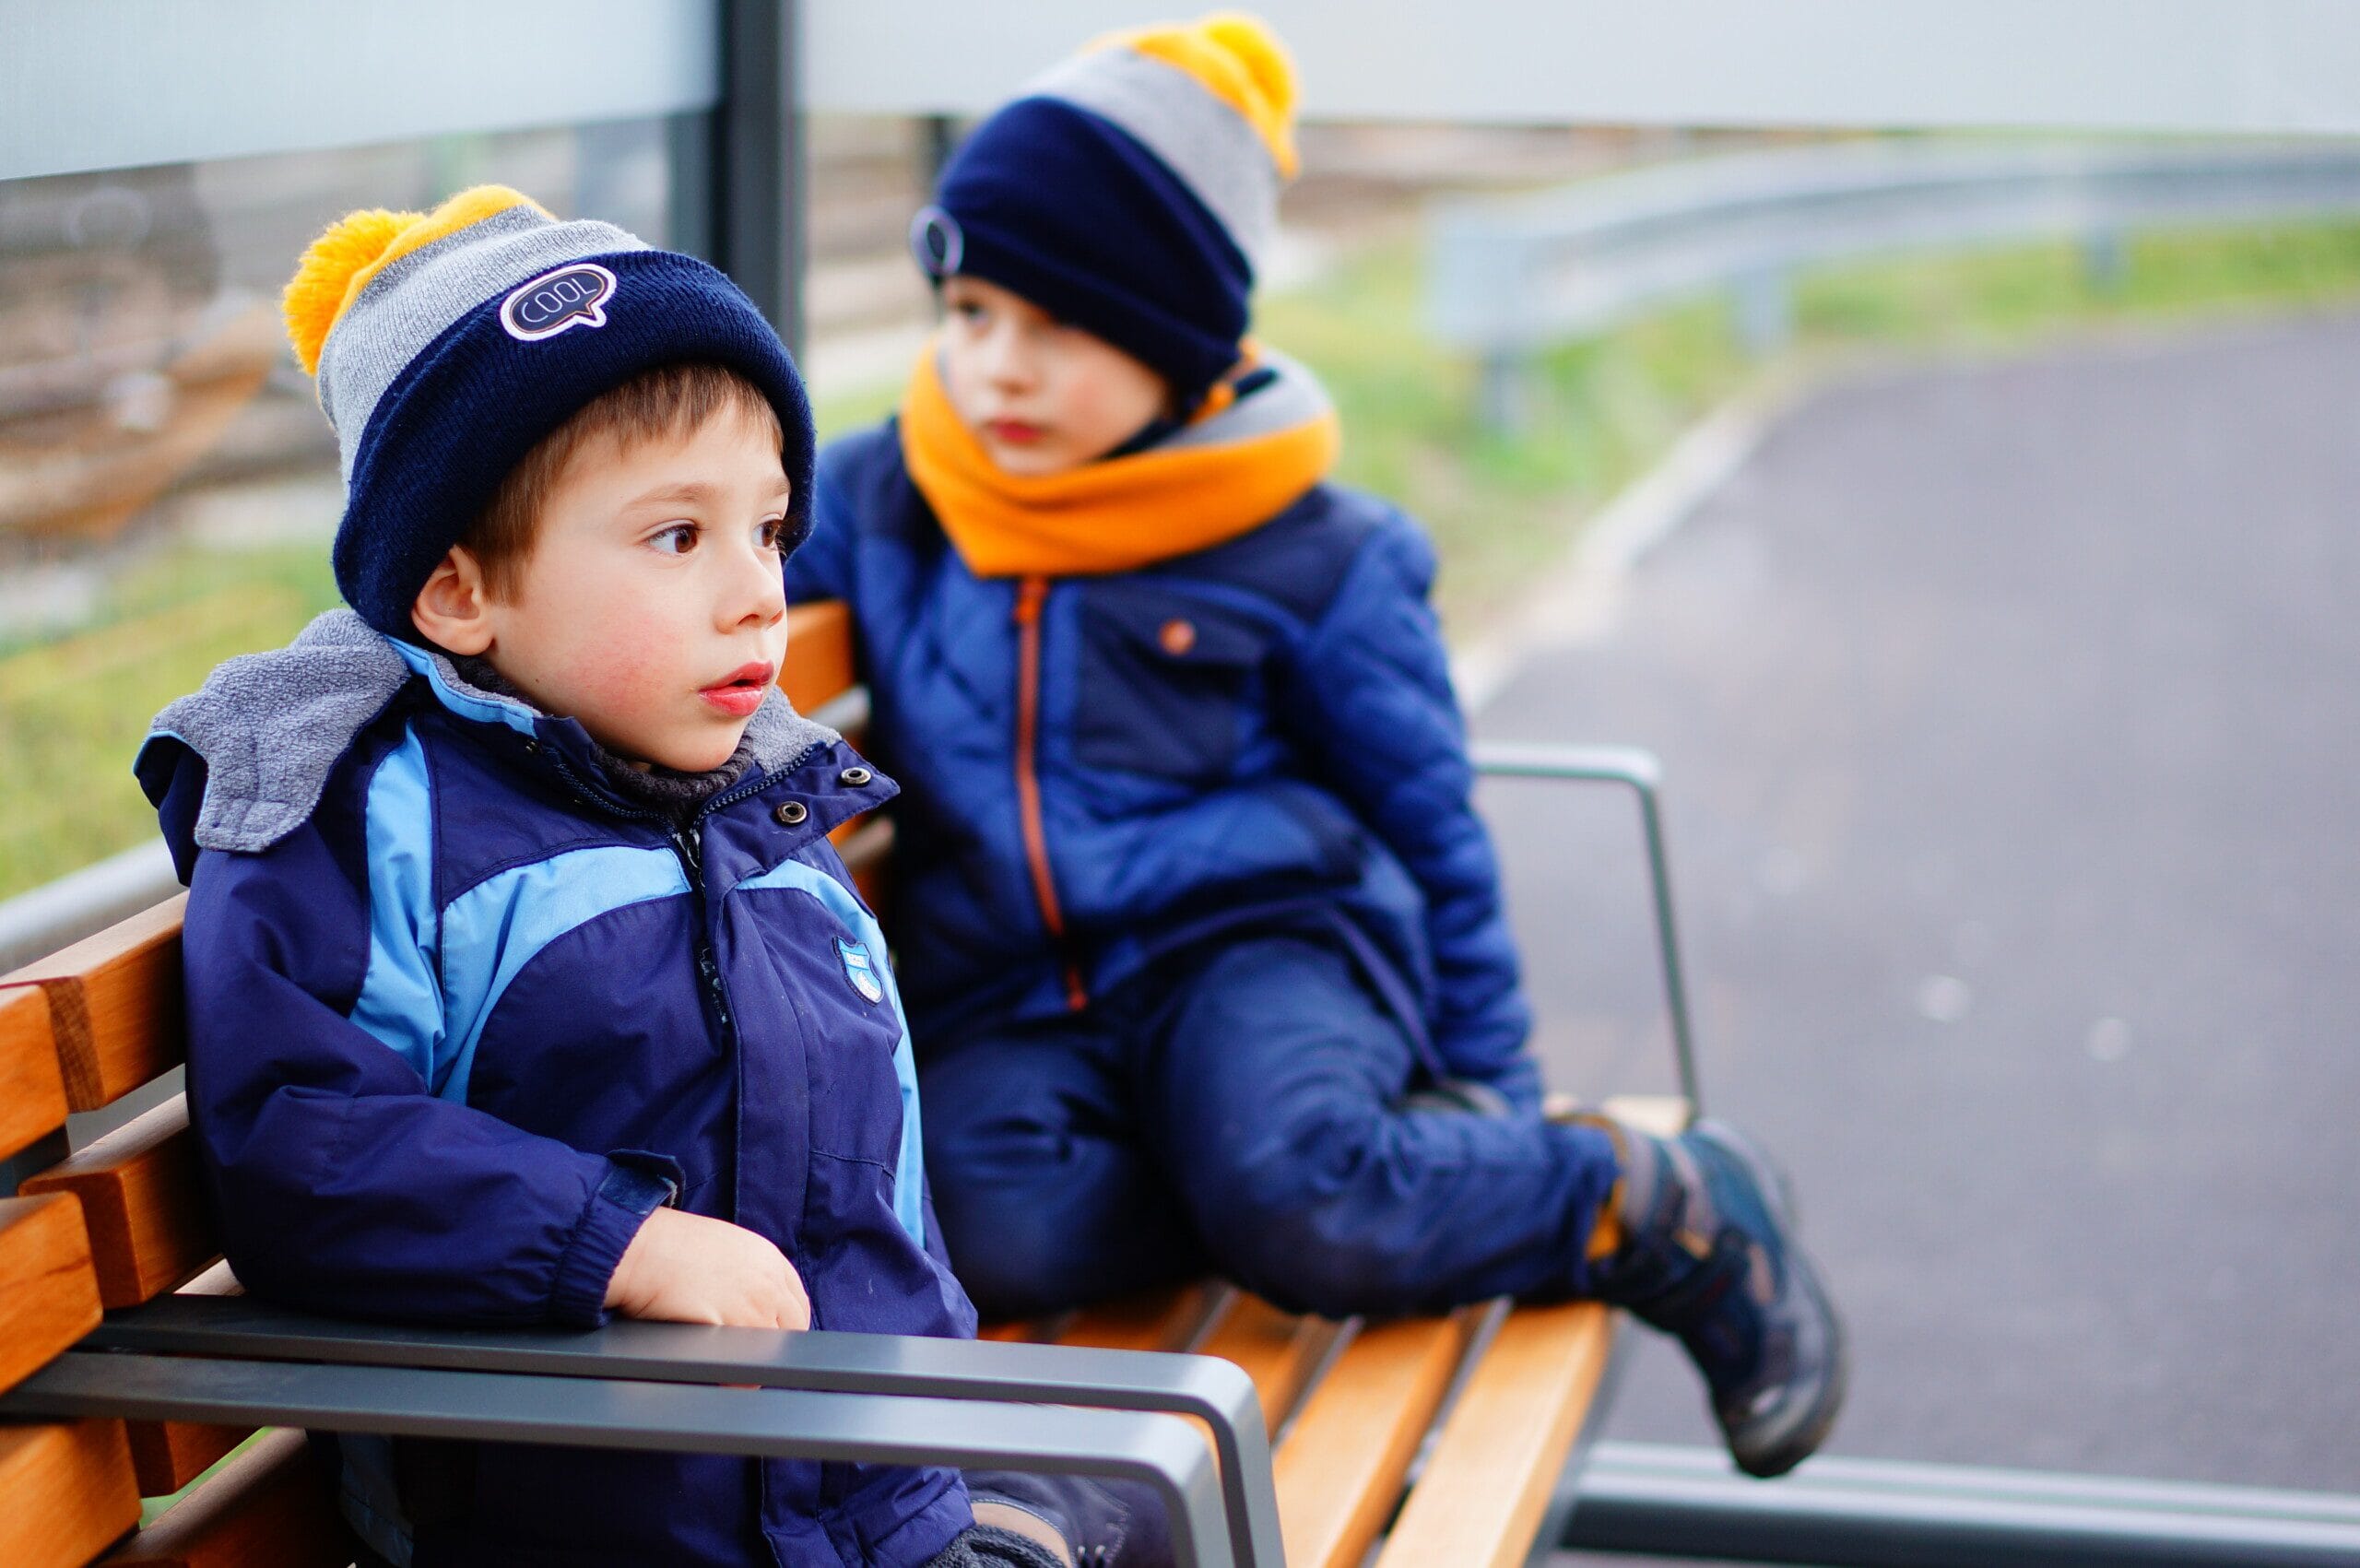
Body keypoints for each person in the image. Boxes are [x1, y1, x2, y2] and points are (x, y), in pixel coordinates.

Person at [787, 14, 1848, 1479]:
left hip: (1261, 950)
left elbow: (1431, 829)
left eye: (1058, 324)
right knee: (991, 1220)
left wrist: (1495, 1087)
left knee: (1305, 1197)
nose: (997, 372)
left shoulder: (1315, 551)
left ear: (1179, 345)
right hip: (1022, 994)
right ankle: (1269, 1173)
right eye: (968, 314)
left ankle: (1644, 1200)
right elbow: (725, 573)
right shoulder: (891, 495)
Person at [136, 186, 1093, 1568]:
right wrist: (616, 1242)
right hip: (602, 1521)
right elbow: (304, 1143)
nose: (760, 588)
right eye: (676, 536)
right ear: (460, 592)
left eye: (768, 529)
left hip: (871, 1499)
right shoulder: (372, 822)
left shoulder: (750, 800)